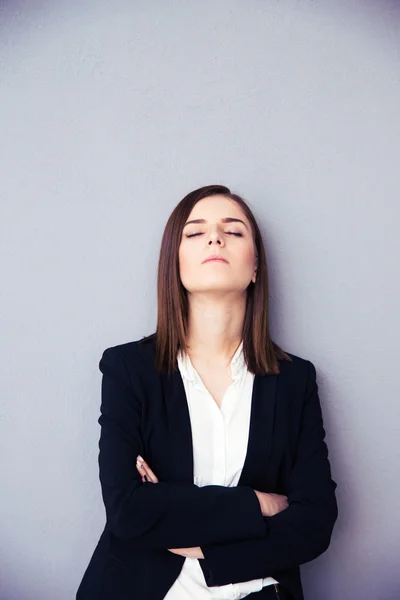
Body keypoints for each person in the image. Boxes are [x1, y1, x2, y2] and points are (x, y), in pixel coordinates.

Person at [76, 184, 338, 600]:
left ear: (255, 267)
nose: (215, 237)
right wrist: (258, 502)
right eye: (195, 232)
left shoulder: (295, 380)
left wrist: (202, 544)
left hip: (261, 591)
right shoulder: (129, 369)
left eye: (233, 231)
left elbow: (315, 522)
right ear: (174, 263)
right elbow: (130, 512)